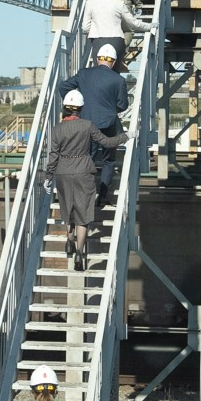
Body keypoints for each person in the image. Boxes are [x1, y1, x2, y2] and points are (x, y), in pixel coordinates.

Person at [44, 90, 126, 271]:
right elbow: (106, 142)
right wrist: (126, 136)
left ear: (65, 107)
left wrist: (49, 176)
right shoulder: (88, 125)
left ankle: (69, 239)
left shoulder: (57, 129)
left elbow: (53, 155)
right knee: (83, 212)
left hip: (63, 172)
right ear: (81, 108)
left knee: (67, 206)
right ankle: (80, 252)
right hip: (83, 170)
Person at [69, 43, 129, 198]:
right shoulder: (118, 80)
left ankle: (83, 193)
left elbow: (64, 87)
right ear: (114, 62)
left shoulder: (84, 74)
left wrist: (73, 109)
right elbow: (122, 105)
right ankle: (102, 196)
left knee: (88, 157)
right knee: (109, 160)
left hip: (87, 123)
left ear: (97, 60)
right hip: (108, 124)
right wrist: (110, 109)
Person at [83, 0, 151, 65]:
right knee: (115, 71)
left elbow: (85, 28)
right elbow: (133, 23)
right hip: (117, 40)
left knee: (99, 71)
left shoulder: (90, 3)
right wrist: (150, 26)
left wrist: (94, 31)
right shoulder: (119, 4)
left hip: (98, 39)